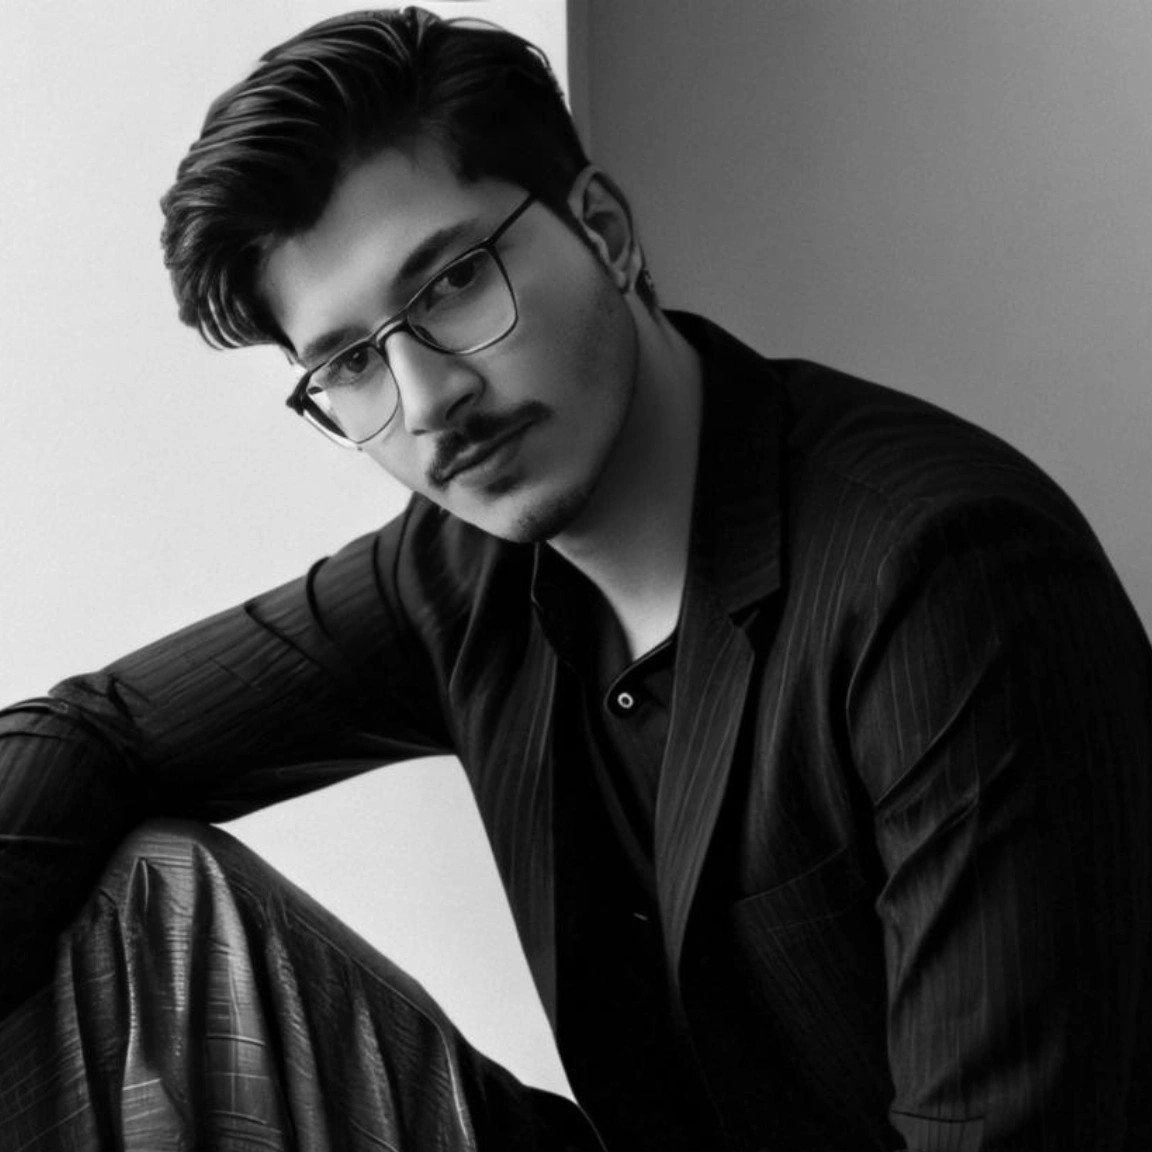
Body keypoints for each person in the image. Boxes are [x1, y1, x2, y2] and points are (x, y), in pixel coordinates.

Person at [1, 6, 1150, 1150]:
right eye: (351, 362)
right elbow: (95, 732)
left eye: (454, 282)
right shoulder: (455, 573)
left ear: (602, 229)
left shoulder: (945, 575)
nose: (429, 400)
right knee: (141, 906)